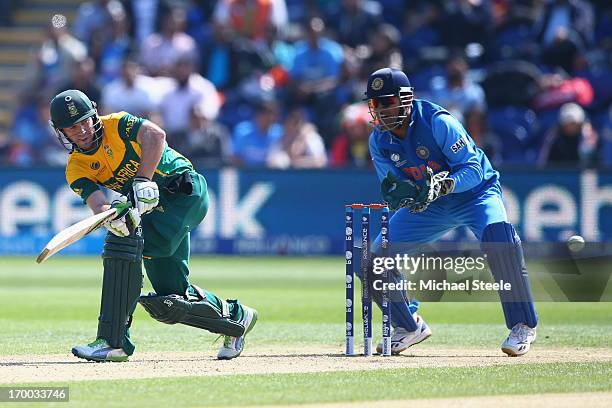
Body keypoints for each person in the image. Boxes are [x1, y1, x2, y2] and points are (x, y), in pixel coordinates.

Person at [48, 89, 257, 362]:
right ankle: (235, 318)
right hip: (152, 210)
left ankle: (113, 341)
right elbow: (98, 205)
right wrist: (113, 218)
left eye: (85, 120)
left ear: (94, 113)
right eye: (72, 127)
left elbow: (156, 135)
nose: (82, 130)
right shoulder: (76, 168)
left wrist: (142, 180)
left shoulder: (118, 123)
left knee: (122, 246)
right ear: (61, 131)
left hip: (183, 193)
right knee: (170, 300)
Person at [363, 68, 538, 356]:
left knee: (500, 241)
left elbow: (473, 168)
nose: (381, 110)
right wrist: (407, 197)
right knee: (373, 260)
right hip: (431, 204)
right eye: (375, 104)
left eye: (387, 102)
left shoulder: (437, 122)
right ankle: (408, 325)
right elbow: (391, 188)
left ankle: (523, 325)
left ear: (405, 100)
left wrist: (447, 184)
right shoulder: (379, 140)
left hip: (475, 194)